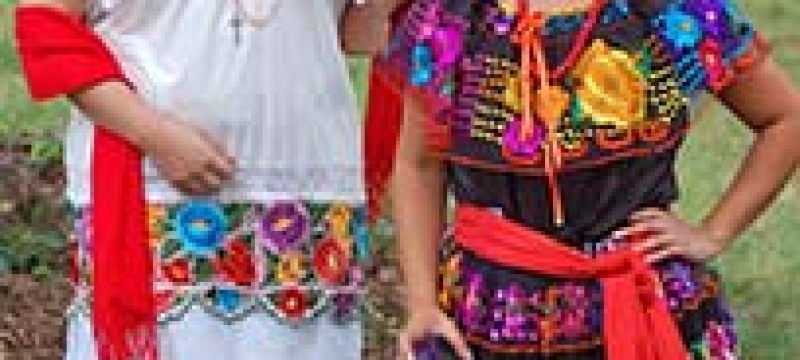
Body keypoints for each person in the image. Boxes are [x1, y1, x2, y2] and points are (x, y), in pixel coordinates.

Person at [345, 0, 800, 358]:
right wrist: (423, 304)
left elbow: (785, 117)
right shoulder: (454, 16)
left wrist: (712, 233)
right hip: (487, 321)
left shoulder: (669, 11)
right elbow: (420, 165)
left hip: (643, 309)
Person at [15, 0, 368, 359]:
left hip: (309, 184)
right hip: (155, 187)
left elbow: (360, 33)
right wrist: (154, 134)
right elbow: (45, 26)